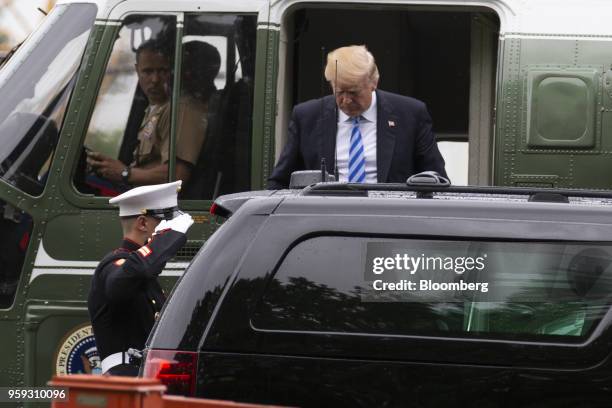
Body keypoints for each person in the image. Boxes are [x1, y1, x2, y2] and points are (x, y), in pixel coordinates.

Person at [267, 45, 447, 189]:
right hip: (323, 224)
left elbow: (436, 179)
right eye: (339, 92)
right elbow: (279, 182)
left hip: (390, 221)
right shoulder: (307, 117)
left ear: (373, 82)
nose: (346, 100)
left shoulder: (411, 114)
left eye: (354, 92)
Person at [87, 180, 194, 376]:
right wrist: (170, 236)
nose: (170, 228)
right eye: (166, 221)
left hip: (144, 374)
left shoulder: (145, 274)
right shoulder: (114, 265)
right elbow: (123, 280)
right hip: (123, 377)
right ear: (143, 223)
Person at [86, 40, 208, 190]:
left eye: (162, 71)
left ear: (173, 71)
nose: (155, 79)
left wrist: (124, 173)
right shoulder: (154, 108)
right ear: (137, 71)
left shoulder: (181, 110)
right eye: (148, 71)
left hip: (154, 204)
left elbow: (177, 176)